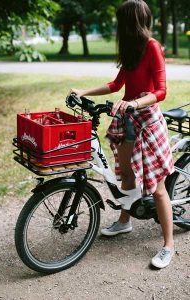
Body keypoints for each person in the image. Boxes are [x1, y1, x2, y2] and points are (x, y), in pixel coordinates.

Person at [70, 0, 175, 269]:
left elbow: (161, 91)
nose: (118, 26)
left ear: (131, 22)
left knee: (157, 187)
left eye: (121, 21)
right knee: (126, 175)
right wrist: (83, 92)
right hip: (127, 117)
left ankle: (168, 246)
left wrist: (134, 103)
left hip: (147, 119)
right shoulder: (130, 49)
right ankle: (125, 222)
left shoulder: (152, 46)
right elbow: (116, 84)